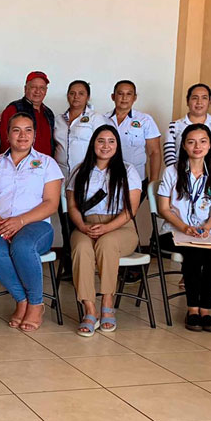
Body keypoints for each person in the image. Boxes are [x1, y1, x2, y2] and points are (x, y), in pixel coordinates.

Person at [0, 112, 62, 332]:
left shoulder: (47, 163)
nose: (22, 135)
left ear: (34, 135)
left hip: (36, 225)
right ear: (7, 135)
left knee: (23, 246)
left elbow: (51, 203)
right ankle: (22, 300)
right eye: (16, 130)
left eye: (28, 130)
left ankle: (36, 303)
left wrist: (20, 221)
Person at [66, 125, 140, 336]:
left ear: (117, 145)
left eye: (111, 141)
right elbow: (72, 206)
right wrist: (82, 226)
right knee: (81, 248)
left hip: (120, 227)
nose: (105, 146)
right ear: (93, 144)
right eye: (101, 141)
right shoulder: (80, 170)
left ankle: (107, 303)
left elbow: (131, 210)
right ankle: (89, 309)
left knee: (107, 243)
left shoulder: (128, 170)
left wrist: (107, 228)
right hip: (86, 226)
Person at [157, 123, 211, 332]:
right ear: (184, 146)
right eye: (191, 142)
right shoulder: (172, 172)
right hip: (173, 231)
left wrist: (206, 228)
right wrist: (184, 227)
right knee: (194, 254)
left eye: (203, 141)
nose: (197, 147)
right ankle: (192, 310)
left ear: (210, 145)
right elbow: (163, 209)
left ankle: (205, 310)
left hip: (203, 232)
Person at [105, 80, 161, 194]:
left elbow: (154, 152)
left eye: (129, 94)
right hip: (107, 179)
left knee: (131, 207)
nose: (124, 98)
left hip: (137, 179)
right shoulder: (102, 119)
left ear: (134, 98)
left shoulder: (145, 120)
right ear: (113, 97)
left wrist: (153, 181)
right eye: (120, 93)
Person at [163, 83, 211, 170]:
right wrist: (178, 173)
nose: (199, 102)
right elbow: (169, 154)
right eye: (195, 98)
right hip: (179, 174)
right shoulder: (174, 126)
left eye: (204, 98)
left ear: (210, 101)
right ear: (187, 101)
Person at [53, 80, 107, 177]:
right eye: (72, 93)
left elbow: (102, 144)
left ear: (88, 97)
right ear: (67, 96)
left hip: (86, 172)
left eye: (81, 93)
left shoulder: (95, 118)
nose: (76, 97)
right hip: (60, 172)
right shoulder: (58, 119)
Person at [0, 71, 56, 156]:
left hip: (45, 162)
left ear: (46, 91)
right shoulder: (13, 109)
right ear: (25, 89)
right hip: (21, 162)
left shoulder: (48, 113)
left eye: (42, 88)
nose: (38, 91)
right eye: (33, 87)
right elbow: (5, 140)